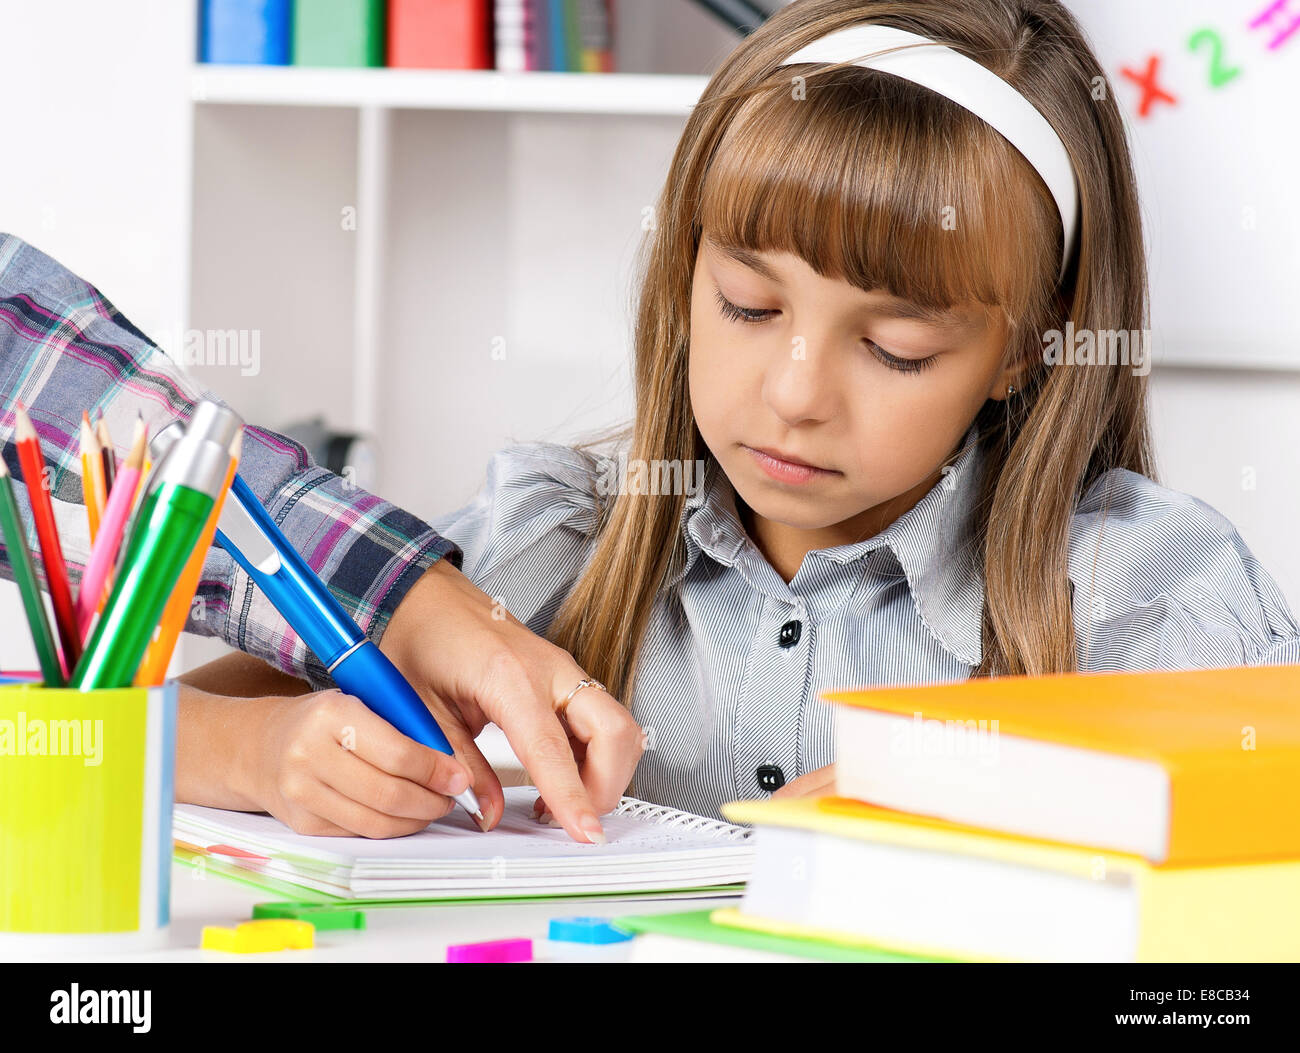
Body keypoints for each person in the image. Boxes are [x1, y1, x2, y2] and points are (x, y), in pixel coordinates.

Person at [0, 232, 642, 845]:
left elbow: (40, 366)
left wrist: (411, 601)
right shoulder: (547, 534)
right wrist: (239, 749)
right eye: (742, 308)